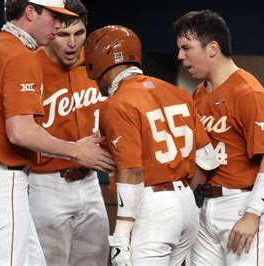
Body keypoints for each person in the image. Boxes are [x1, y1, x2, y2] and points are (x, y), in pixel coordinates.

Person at [0, 0, 116, 265]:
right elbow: (20, 132)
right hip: (3, 179)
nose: (58, 25)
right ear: (30, 12)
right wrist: (76, 149)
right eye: (54, 18)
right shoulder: (18, 54)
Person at [84, 25, 219, 265]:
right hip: (187, 206)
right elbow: (208, 159)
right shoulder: (178, 93)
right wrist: (181, 195)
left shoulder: (116, 104)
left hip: (152, 206)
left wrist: (121, 237)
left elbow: (131, 171)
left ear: (98, 62)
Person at [173, 10, 264, 265]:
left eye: (186, 48)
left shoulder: (248, 92)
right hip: (207, 205)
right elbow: (202, 158)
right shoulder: (199, 94)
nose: (180, 56)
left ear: (212, 48)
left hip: (243, 203)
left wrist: (253, 214)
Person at [27, 0, 109, 265]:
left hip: (91, 182)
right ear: (51, 31)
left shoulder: (98, 64)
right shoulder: (29, 64)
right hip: (46, 184)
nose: (73, 43)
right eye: (63, 34)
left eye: (79, 33)